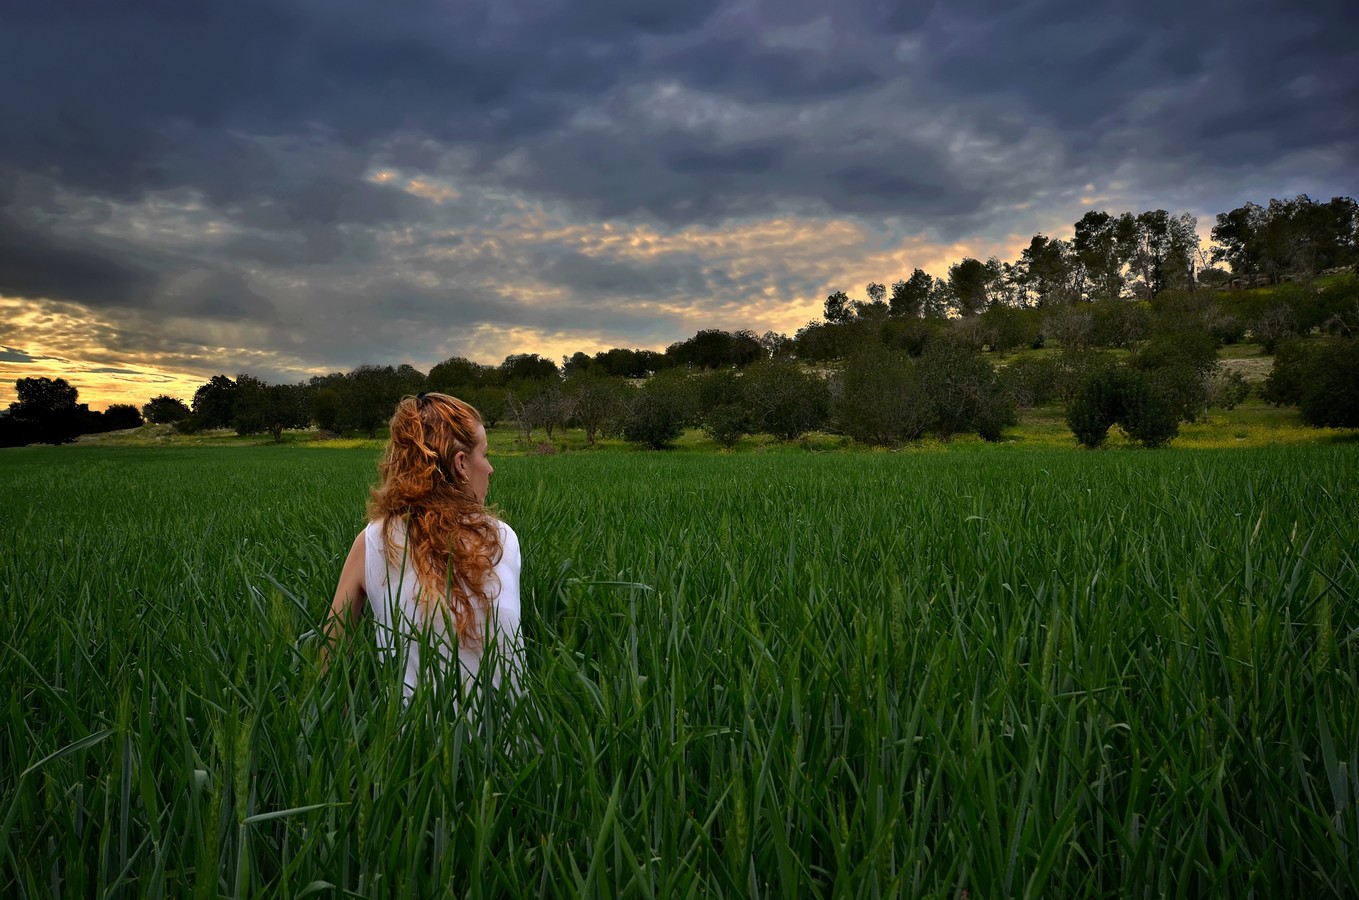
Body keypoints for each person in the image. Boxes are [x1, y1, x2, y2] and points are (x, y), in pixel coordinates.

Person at [326, 392, 523, 703]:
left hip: (414, 748)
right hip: (516, 745)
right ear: (461, 463)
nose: (490, 468)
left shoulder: (374, 542)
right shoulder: (503, 539)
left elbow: (329, 662)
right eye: (484, 454)